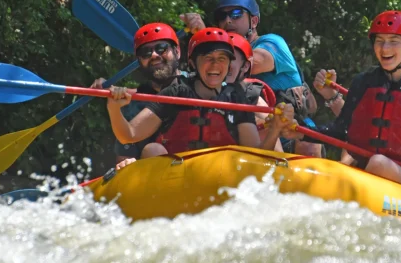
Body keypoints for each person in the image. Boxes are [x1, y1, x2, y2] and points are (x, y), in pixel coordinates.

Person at [282, 11, 401, 196]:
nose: (385, 48)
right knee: (373, 163)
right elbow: (341, 130)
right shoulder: (364, 81)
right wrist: (300, 131)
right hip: (369, 175)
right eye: (379, 41)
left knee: (379, 162)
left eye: (393, 41)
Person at [106, 28, 291, 166]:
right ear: (194, 63)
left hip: (222, 174)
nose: (215, 65)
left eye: (222, 59)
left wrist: (275, 130)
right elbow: (128, 135)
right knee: (152, 150)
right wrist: (114, 108)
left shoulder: (236, 96)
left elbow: (257, 157)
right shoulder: (176, 92)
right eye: (208, 58)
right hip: (178, 176)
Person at [181, 0, 322, 156]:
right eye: (222, 16)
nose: (227, 20)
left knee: (308, 146)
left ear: (253, 21)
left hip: (290, 129)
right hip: (247, 127)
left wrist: (206, 38)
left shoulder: (271, 41)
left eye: (236, 14)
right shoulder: (216, 63)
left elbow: (251, 64)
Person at [91, 22, 185, 164]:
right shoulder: (132, 105)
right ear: (139, 61)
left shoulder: (199, 85)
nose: (154, 55)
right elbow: (124, 160)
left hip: (206, 172)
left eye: (161, 48)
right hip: (159, 180)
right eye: (145, 52)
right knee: (153, 151)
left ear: (177, 51)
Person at [227, 33, 283, 152]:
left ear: (245, 67)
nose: (222, 63)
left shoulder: (252, 97)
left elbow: (277, 154)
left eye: (230, 57)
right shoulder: (188, 89)